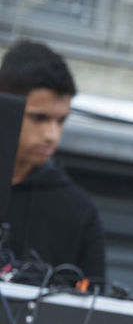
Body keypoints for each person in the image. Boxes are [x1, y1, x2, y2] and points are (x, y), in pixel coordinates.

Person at [0, 40, 106, 285]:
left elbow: (94, 306)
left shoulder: (78, 211)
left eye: (61, 121)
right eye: (39, 118)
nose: (52, 135)